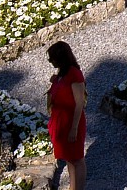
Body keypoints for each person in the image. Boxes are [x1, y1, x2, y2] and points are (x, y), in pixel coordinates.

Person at [44, 40, 86, 190]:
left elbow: (79, 103)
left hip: (71, 122)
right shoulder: (62, 74)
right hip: (61, 123)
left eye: (52, 58)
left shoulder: (74, 74)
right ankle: (73, 187)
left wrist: (74, 128)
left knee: (77, 159)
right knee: (69, 158)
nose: (51, 61)